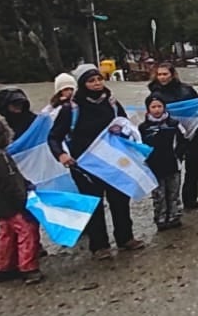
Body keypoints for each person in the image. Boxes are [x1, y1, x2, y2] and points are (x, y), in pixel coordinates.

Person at [47, 67, 145, 259]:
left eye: (99, 79)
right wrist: (61, 156)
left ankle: (125, 238)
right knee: (94, 205)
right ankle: (99, 246)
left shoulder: (112, 103)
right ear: (83, 84)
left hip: (113, 162)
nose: (96, 83)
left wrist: (122, 130)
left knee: (120, 200)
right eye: (91, 81)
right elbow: (54, 137)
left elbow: (126, 125)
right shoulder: (71, 109)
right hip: (84, 166)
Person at [0, 114, 44, 284]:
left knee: (7, 234)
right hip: (13, 205)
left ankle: (4, 268)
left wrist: (25, 183)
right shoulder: (0, 157)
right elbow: (11, 183)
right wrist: (23, 203)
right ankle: (29, 268)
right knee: (27, 231)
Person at [146, 62, 198, 209]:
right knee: (170, 171)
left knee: (193, 167)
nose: (162, 77)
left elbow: (197, 110)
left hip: (191, 134)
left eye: (165, 74)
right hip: (167, 139)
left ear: (172, 74)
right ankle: (170, 203)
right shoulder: (154, 94)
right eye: (159, 74)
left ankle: (190, 199)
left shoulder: (187, 90)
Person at [140, 93, 186, 229]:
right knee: (158, 196)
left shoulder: (174, 124)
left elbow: (183, 141)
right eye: (153, 107)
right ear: (148, 109)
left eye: (159, 106)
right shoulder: (143, 128)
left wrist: (178, 155)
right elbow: (139, 146)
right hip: (154, 167)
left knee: (173, 193)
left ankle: (174, 216)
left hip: (173, 165)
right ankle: (160, 219)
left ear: (164, 108)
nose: (157, 109)